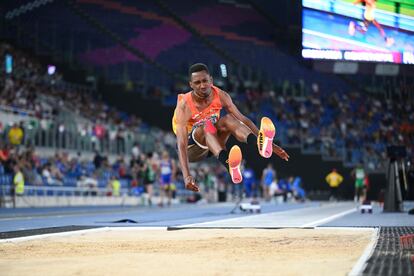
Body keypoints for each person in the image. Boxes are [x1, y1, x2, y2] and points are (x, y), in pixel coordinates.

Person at [172, 63, 289, 192]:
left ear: (211, 80)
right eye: (197, 82)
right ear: (191, 85)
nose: (202, 85)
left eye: (205, 81)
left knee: (230, 119)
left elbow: (243, 119)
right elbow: (181, 144)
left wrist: (270, 145)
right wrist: (187, 176)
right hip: (192, 149)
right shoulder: (184, 105)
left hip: (213, 143)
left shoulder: (221, 95)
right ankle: (228, 163)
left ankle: (258, 144)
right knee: (206, 125)